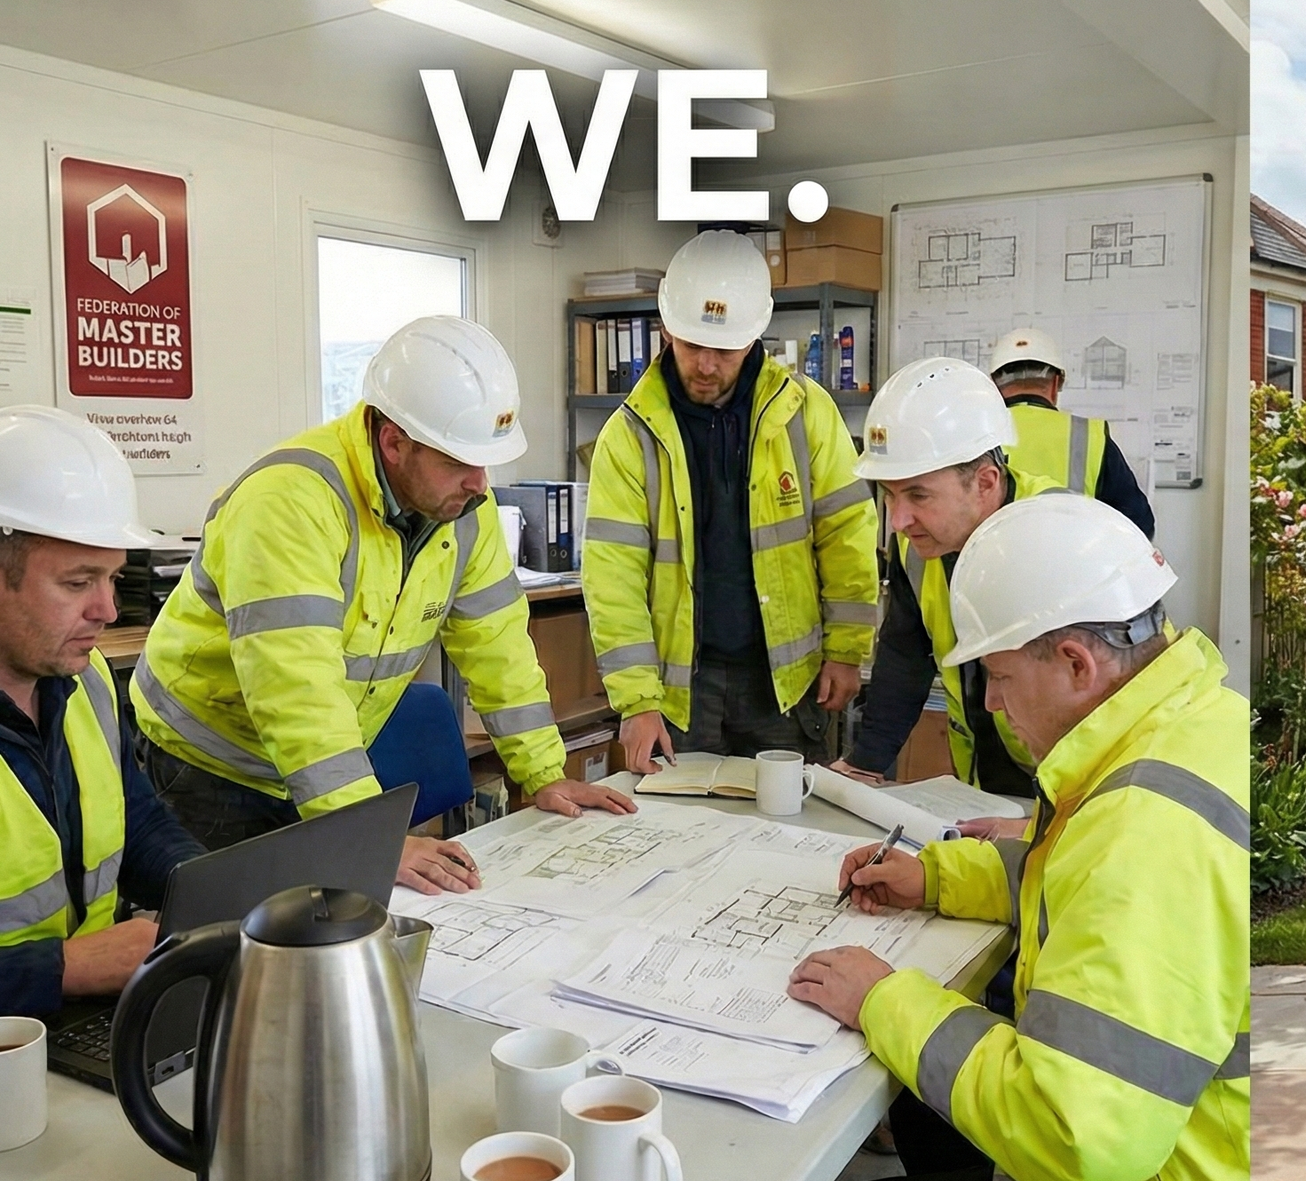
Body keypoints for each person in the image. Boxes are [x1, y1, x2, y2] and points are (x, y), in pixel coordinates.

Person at [786, 494, 1248, 1181]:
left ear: (1076, 663)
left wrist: (887, 998)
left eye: (997, 678)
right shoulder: (1181, 727)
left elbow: (1075, 1135)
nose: (991, 708)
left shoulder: (1143, 833)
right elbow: (1072, 874)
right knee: (934, 1111)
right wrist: (935, 879)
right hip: (1192, 1177)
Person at [134, 317, 632, 893]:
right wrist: (370, 835)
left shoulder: (463, 508)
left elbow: (499, 648)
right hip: (209, 764)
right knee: (238, 953)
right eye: (457, 461)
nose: (479, 482)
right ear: (393, 441)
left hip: (315, 762)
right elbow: (297, 690)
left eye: (485, 461)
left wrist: (545, 772)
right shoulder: (291, 501)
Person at [585, 230, 879, 775]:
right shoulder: (628, 434)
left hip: (785, 687)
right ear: (667, 326)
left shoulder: (805, 412)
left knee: (789, 837)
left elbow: (847, 534)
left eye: (724, 350)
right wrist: (636, 700)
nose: (705, 364)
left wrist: (847, 649)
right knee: (676, 843)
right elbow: (613, 579)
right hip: (679, 691)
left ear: (754, 338)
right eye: (693, 344)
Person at [0, 407, 201, 1017]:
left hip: (91, 1020)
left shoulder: (87, 686)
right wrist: (67, 968)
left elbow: (135, 822)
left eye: (113, 578)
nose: (108, 611)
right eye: (77, 582)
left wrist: (205, 891)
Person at [830, 357, 1071, 805]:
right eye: (890, 496)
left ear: (985, 482)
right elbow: (906, 652)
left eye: (918, 495)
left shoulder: (1061, 538)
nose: (898, 521)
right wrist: (865, 763)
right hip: (986, 784)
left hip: (1074, 791)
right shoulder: (919, 549)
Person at [984, 327, 1155, 539]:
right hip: (1068, 569)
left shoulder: (970, 436)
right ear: (1056, 383)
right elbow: (1138, 524)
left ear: (993, 385)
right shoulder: (1090, 436)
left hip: (981, 569)